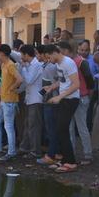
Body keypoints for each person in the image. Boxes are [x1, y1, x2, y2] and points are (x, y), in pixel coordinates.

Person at [42, 44, 81, 173]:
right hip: (64, 98)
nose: (49, 60)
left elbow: (76, 84)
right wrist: (52, 87)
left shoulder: (68, 63)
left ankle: (70, 162)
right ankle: (65, 159)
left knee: (61, 130)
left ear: (55, 52)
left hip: (71, 100)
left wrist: (59, 97)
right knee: (59, 130)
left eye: (49, 57)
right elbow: (64, 81)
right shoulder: (59, 64)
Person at [0, 45, 23, 161]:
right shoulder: (4, 65)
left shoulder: (10, 65)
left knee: (8, 126)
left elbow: (20, 79)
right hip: (3, 100)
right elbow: (3, 85)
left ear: (2, 54)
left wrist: (11, 89)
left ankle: (11, 152)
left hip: (10, 101)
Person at [65, 41, 95, 164]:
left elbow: (90, 82)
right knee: (71, 127)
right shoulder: (70, 62)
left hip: (81, 97)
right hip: (72, 97)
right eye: (81, 49)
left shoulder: (82, 63)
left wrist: (87, 96)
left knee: (81, 127)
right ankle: (71, 153)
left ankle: (88, 154)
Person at [19, 45, 43, 158]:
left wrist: (23, 68)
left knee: (34, 125)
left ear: (26, 55)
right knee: (28, 123)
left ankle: (35, 151)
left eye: (22, 54)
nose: (21, 57)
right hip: (30, 99)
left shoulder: (36, 65)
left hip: (35, 99)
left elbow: (28, 80)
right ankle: (25, 147)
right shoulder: (30, 65)